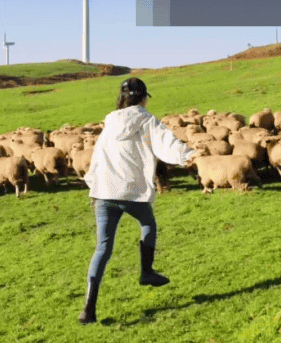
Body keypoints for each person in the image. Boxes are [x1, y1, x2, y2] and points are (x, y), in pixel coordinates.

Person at [79, 76, 196, 325]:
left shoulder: (109, 122)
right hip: (130, 193)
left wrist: (94, 184)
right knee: (148, 225)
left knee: (103, 249)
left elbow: (98, 154)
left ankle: (88, 308)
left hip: (104, 192)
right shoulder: (145, 119)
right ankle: (146, 271)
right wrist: (187, 155)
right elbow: (166, 142)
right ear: (143, 97)